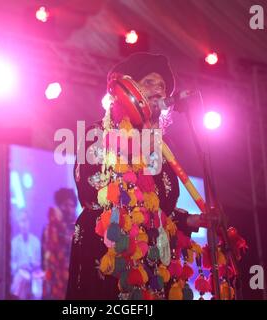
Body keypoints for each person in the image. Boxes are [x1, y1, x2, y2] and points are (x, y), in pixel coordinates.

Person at [66, 52, 207, 300]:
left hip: (152, 261)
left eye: (162, 86)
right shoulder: (99, 132)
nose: (158, 90)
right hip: (108, 250)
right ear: (128, 90)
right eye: (149, 82)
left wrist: (193, 221)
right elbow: (91, 195)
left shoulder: (162, 146)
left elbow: (163, 208)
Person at [41, 188, 77, 300]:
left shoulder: (78, 228)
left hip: (73, 282)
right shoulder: (49, 229)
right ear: (59, 206)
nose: (69, 209)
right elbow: (43, 261)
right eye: (66, 205)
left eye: (72, 206)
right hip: (54, 283)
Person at [10, 210, 43, 300]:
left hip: (34, 274)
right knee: (21, 279)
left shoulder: (36, 241)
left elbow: (39, 262)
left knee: (37, 287)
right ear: (18, 223)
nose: (24, 224)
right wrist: (20, 265)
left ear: (29, 222)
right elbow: (11, 265)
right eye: (22, 221)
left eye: (26, 220)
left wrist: (35, 265)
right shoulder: (14, 242)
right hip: (20, 274)